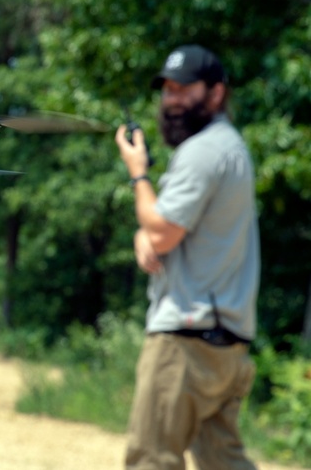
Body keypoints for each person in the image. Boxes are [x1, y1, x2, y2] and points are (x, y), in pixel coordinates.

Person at [114, 44, 261, 470]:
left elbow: (161, 232)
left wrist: (138, 172)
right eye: (168, 90)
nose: (172, 101)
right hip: (226, 345)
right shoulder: (231, 148)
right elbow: (166, 232)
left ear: (216, 93)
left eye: (184, 90)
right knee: (223, 463)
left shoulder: (203, 151)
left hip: (186, 340)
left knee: (151, 460)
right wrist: (149, 233)